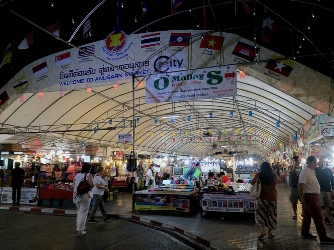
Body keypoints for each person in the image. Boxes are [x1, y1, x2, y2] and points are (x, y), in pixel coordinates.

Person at [298, 156, 334, 243]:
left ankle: (305, 232)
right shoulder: (305, 171)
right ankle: (323, 236)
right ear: (312, 162)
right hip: (309, 196)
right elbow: (300, 185)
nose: (317, 163)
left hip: (313, 195)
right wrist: (302, 197)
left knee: (307, 216)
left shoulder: (312, 171)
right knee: (317, 216)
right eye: (316, 161)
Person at [251, 161, 279, 239]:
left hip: (262, 198)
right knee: (272, 215)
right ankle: (270, 232)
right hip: (272, 198)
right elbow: (278, 181)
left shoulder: (259, 174)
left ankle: (263, 231)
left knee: (260, 214)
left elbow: (252, 183)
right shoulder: (273, 175)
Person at [73, 163, 94, 237]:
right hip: (85, 195)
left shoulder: (77, 175)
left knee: (79, 211)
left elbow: (74, 184)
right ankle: (80, 230)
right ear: (89, 168)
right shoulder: (89, 175)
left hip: (76, 195)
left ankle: (78, 226)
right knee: (83, 212)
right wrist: (87, 190)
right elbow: (92, 185)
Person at [315, 157, 334, 225]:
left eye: (324, 162)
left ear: (326, 163)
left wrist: (333, 189)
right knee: (320, 204)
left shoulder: (329, 170)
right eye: (321, 162)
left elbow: (332, 180)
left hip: (327, 190)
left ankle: (326, 218)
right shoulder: (315, 170)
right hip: (318, 190)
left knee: (328, 205)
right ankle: (319, 217)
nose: (323, 163)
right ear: (319, 163)